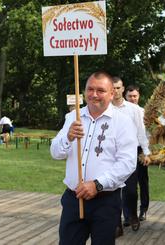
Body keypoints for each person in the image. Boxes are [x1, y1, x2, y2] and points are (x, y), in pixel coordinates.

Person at [50, 71, 138, 245]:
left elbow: (127, 163)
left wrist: (97, 184)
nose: (94, 94)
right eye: (90, 89)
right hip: (74, 199)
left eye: (100, 90)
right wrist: (68, 137)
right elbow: (55, 152)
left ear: (112, 93)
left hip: (105, 202)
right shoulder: (73, 117)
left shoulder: (123, 121)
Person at [112, 77, 150, 234]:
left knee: (131, 190)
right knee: (112, 189)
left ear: (123, 89)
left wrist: (146, 152)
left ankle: (132, 215)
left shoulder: (133, 109)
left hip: (131, 152)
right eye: (112, 88)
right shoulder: (105, 107)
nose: (115, 91)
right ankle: (116, 224)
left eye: (118, 88)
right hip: (111, 152)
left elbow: (141, 132)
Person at [125, 85, 150, 222]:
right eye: (130, 96)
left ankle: (144, 209)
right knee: (127, 183)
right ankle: (128, 214)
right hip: (126, 150)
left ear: (138, 96)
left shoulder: (143, 112)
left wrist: (147, 152)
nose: (133, 99)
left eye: (135, 96)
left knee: (143, 180)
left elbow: (149, 131)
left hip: (140, 150)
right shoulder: (121, 111)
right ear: (125, 97)